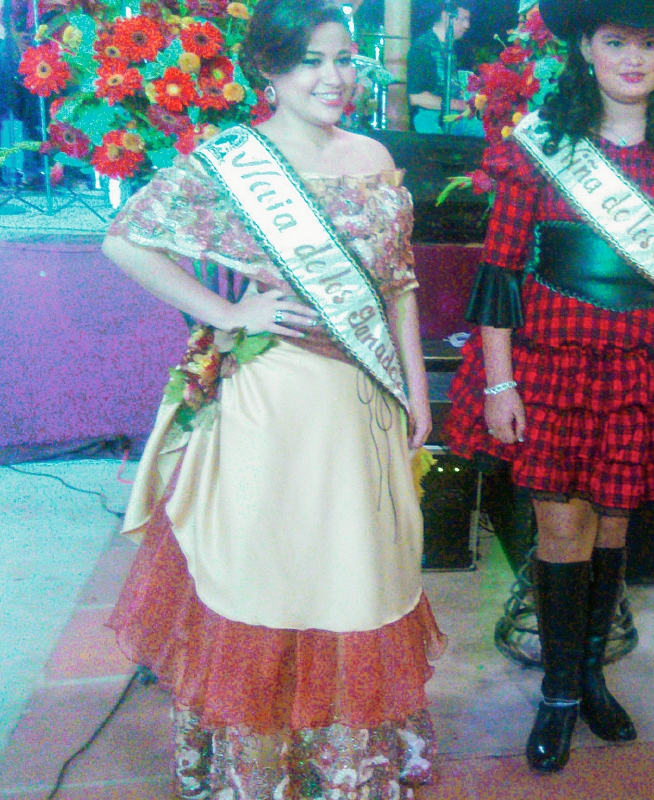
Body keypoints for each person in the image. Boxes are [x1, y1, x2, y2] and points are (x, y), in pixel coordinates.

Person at [101, 0, 446, 795]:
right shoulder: (233, 160)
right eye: (312, 61)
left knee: (353, 574)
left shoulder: (372, 156)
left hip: (359, 398)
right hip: (273, 402)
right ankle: (264, 763)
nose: (334, 77)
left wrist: (416, 389)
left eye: (345, 59)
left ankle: (342, 760)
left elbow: (397, 284)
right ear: (269, 69)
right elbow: (124, 239)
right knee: (270, 573)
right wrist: (226, 312)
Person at [444, 0, 654, 774]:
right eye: (615, 42)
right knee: (562, 528)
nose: (632, 58)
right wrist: (499, 384)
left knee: (612, 528)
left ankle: (591, 678)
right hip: (549, 360)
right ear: (585, 48)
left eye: (648, 41)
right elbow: (499, 273)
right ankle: (560, 696)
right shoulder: (540, 145)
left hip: (641, 365)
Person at [406, 0, 483, 136]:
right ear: (446, 16)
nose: (467, 25)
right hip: (429, 116)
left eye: (468, 19)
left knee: (488, 134)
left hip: (454, 116)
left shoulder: (454, 49)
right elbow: (416, 97)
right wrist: (460, 105)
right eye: (463, 19)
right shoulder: (422, 47)